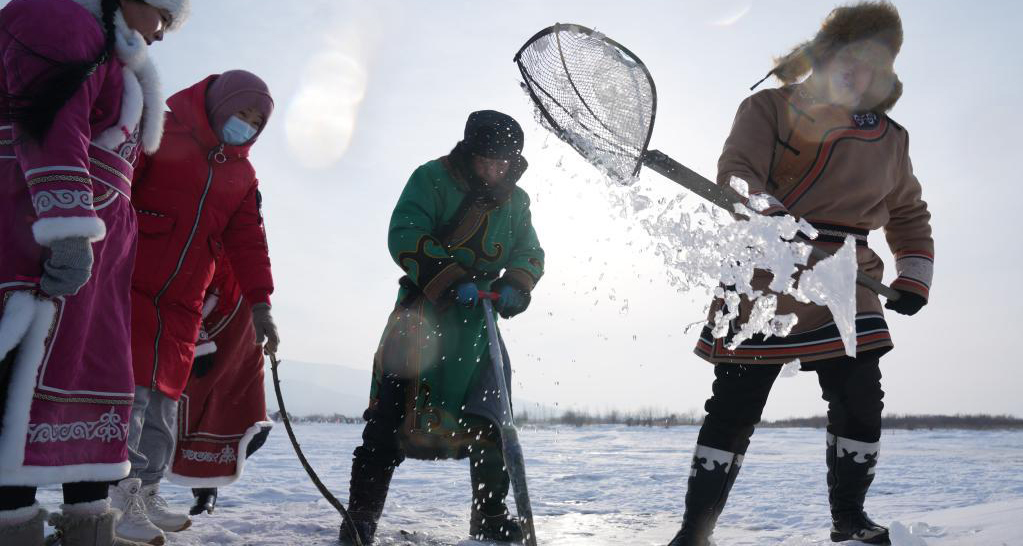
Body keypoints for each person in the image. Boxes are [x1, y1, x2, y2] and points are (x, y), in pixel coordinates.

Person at [668, 3, 933, 545]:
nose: (860, 73)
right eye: (852, 58)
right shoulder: (769, 108)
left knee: (860, 398)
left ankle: (850, 520)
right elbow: (737, 176)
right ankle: (695, 531)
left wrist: (913, 277)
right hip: (768, 269)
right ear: (829, 54)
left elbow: (907, 213)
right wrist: (772, 220)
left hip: (848, 276)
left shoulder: (891, 136)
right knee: (735, 405)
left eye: (874, 63)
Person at [0, 0, 187, 544]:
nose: (162, 34)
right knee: (20, 402)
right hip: (31, 241)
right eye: (163, 16)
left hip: (94, 267)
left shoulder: (105, 45)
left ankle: (88, 528)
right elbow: (48, 124)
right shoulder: (57, 20)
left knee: (80, 395)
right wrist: (67, 228)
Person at [339, 110, 545, 545]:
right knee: (387, 421)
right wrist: (451, 279)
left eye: (503, 161)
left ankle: (489, 514)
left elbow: (530, 250)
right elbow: (405, 232)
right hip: (422, 315)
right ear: (469, 153)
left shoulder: (518, 201)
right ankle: (360, 520)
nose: (494, 169)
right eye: (486, 159)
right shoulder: (431, 178)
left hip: (479, 329)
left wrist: (514, 285)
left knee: (493, 421)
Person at [112, 70, 279, 544]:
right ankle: (114, 498)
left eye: (254, 121)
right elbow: (117, 190)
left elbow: (249, 242)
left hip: (184, 303)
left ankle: (145, 491)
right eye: (240, 113)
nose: (244, 125)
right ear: (216, 104)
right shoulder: (158, 131)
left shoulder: (241, 174)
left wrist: (260, 304)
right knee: (131, 400)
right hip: (128, 286)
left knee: (164, 406)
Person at [162, 258, 273, 516]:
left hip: (242, 324)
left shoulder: (252, 218)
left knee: (244, 414)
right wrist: (199, 337)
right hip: (208, 317)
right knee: (174, 414)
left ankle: (206, 483)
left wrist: (262, 308)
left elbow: (255, 255)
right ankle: (141, 489)